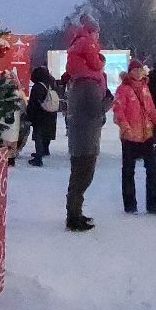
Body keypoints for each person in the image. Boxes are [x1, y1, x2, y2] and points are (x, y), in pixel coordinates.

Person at [61, 16, 111, 232]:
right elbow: (94, 110)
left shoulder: (78, 79)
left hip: (79, 135)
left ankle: (74, 213)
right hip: (86, 136)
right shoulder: (89, 82)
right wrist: (109, 99)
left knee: (78, 176)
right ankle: (74, 216)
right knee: (83, 176)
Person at [113, 60, 156, 215]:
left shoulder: (145, 88)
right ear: (130, 72)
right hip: (130, 136)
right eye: (135, 70)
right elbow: (118, 111)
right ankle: (130, 204)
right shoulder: (123, 89)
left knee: (152, 169)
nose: (138, 72)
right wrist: (125, 127)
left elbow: (151, 109)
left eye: (140, 69)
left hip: (146, 134)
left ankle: (153, 202)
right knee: (128, 170)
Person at [24, 66, 58, 166]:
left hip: (40, 115)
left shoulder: (37, 87)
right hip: (50, 113)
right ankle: (45, 150)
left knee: (38, 134)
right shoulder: (50, 84)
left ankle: (38, 158)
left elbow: (33, 103)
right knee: (47, 133)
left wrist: (29, 115)